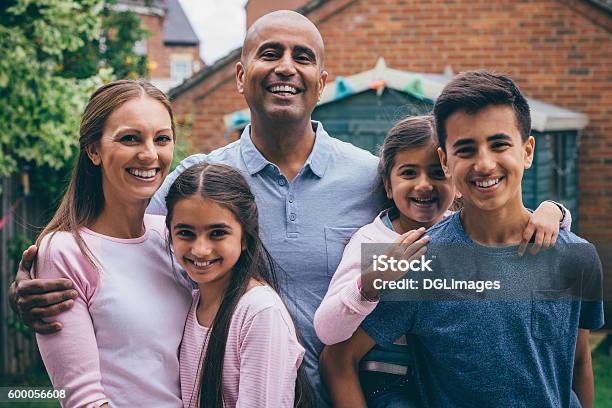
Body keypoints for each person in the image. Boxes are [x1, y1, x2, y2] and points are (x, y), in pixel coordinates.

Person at [9, 12, 570, 405]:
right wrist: (40, 265)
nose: (286, 66)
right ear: (239, 74)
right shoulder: (198, 182)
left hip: (353, 396)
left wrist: (550, 214)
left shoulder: (368, 175)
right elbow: (125, 244)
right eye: (269, 53)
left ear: (322, 82)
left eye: (303, 57)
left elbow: (454, 212)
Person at [324, 71, 604, 407]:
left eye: (499, 144)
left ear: (527, 151)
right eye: (466, 149)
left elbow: (578, 363)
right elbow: (337, 359)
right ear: (446, 160)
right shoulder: (422, 263)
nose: (484, 164)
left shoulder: (577, 257)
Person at [31, 80, 192, 407]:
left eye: (161, 139)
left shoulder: (175, 237)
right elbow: (83, 399)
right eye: (130, 138)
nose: (149, 154)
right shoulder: (65, 252)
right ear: (93, 150)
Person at [166, 162, 311, 408]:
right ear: (169, 234)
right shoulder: (190, 302)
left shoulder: (259, 311)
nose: (200, 250)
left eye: (217, 233)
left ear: (245, 236)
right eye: (186, 233)